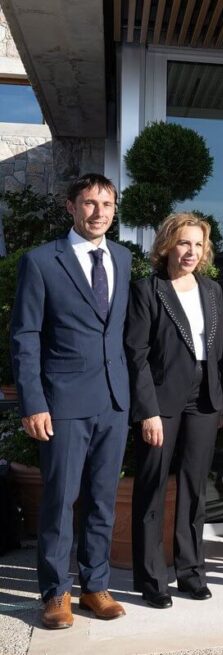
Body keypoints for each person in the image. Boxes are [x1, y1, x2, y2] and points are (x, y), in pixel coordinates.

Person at [10, 173, 131, 628]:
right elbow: (25, 337)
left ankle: (95, 586)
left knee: (102, 499)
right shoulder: (42, 262)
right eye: (89, 203)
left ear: (114, 209)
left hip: (113, 403)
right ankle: (55, 592)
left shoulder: (122, 256)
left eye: (106, 203)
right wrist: (33, 403)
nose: (98, 211)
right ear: (70, 207)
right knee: (60, 502)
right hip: (61, 404)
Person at [125, 213, 223, 608]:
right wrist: (147, 411)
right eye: (184, 243)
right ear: (167, 244)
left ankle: (191, 572)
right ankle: (151, 579)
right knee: (151, 490)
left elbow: (219, 350)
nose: (191, 252)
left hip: (204, 400)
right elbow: (136, 355)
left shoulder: (212, 290)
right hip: (161, 403)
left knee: (195, 490)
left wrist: (220, 402)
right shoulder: (148, 290)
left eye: (198, 245)